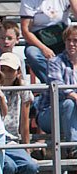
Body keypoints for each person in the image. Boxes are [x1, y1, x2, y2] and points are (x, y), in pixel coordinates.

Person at [0, 53, 38, 174]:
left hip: (12, 140)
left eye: (10, 70)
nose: (6, 73)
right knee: (8, 166)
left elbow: (24, 123)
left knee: (31, 166)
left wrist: (26, 147)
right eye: (3, 69)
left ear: (18, 72)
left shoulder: (23, 90)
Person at [37, 24, 77, 158]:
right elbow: (58, 86)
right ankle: (72, 148)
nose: (71, 44)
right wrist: (75, 97)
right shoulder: (55, 61)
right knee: (69, 103)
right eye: (68, 40)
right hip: (49, 114)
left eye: (75, 40)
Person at [21, 0, 77, 83]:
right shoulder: (28, 1)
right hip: (38, 39)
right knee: (32, 53)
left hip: (62, 37)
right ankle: (53, 84)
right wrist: (44, 48)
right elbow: (25, 31)